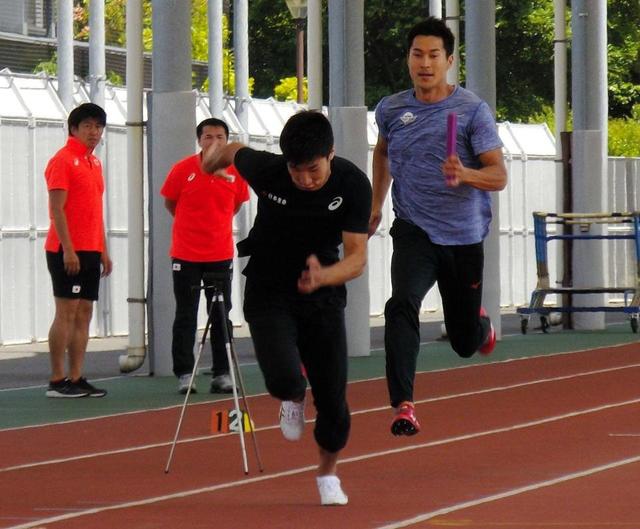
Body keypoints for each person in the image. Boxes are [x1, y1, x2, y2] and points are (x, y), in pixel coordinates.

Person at [203, 111, 371, 506]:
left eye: (313, 170)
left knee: (333, 402)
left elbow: (358, 258)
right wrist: (210, 160)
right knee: (283, 380)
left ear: (330, 154)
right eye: (297, 171)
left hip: (323, 292)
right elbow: (232, 150)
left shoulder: (352, 185)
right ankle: (292, 397)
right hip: (269, 287)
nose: (305, 179)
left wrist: (323, 276)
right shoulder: (269, 171)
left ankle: (328, 473)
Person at [370, 18, 508, 436]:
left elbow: (498, 175)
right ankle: (404, 404)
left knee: (464, 343)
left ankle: (479, 325)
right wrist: (376, 203)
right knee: (402, 305)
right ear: (408, 59)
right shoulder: (391, 109)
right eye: (417, 54)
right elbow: (383, 153)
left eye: (434, 55)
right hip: (413, 229)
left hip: (464, 238)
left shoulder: (471, 111)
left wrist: (465, 174)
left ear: (449, 61)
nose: (425, 63)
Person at [160, 118, 249, 394]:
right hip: (185, 254)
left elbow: (235, 205)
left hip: (219, 253)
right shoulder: (183, 169)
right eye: (208, 136)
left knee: (221, 312)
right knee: (186, 313)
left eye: (220, 137)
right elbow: (170, 202)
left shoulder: (236, 171)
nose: (214, 142)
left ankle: (222, 373)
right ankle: (185, 372)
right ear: (199, 140)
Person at [44, 103, 112, 398]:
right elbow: (57, 210)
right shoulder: (62, 160)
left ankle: (76, 376)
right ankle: (57, 380)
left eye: (98, 127)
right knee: (67, 312)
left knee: (84, 312)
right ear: (74, 129)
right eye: (87, 126)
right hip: (65, 249)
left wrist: (103, 251)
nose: (93, 132)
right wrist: (69, 250)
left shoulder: (93, 163)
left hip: (90, 249)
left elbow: (95, 212)